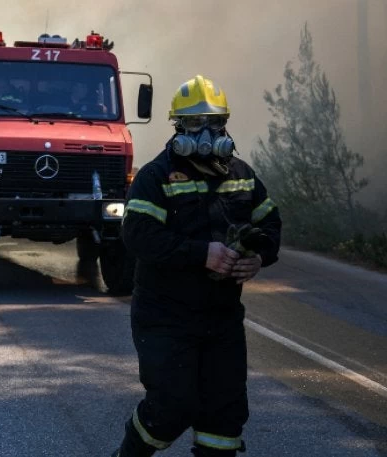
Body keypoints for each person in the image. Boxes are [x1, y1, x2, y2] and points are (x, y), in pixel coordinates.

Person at [111, 75, 282, 457]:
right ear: (178, 126)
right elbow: (137, 235)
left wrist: (258, 256)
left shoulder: (241, 176)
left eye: (214, 123)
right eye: (194, 123)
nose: (205, 133)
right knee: (171, 407)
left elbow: (270, 223)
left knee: (224, 416)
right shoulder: (156, 177)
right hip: (165, 316)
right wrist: (200, 253)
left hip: (222, 319)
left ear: (225, 124)